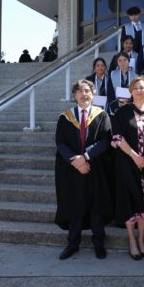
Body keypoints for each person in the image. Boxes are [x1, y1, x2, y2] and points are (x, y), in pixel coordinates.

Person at [54, 79, 113, 260]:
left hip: (95, 168)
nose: (84, 94)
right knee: (75, 207)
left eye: (87, 91)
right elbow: (60, 143)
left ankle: (99, 244)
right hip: (72, 170)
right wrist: (76, 161)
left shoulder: (101, 115)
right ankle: (72, 244)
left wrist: (85, 157)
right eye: (80, 91)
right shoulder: (65, 117)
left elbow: (105, 141)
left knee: (96, 207)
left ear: (93, 95)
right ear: (74, 95)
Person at [111, 76, 144, 260]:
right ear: (130, 91)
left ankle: (141, 239)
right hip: (127, 162)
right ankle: (132, 241)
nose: (140, 90)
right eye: (136, 87)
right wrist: (135, 157)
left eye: (143, 87)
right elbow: (117, 137)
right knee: (129, 201)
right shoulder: (122, 112)